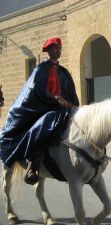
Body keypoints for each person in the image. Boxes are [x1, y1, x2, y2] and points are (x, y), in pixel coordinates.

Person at [0, 37, 79, 184]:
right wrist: (55, 98)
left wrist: (72, 105)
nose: (58, 50)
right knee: (46, 122)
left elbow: (70, 92)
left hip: (62, 109)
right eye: (55, 48)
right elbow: (35, 90)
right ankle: (33, 162)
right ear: (48, 50)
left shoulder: (63, 72)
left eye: (59, 47)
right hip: (42, 107)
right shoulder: (40, 69)